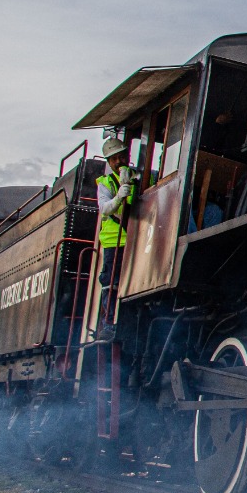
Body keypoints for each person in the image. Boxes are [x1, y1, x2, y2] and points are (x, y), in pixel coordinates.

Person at [94, 136, 135, 342]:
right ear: (109, 162)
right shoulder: (105, 183)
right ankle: (108, 323)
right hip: (113, 241)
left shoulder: (140, 176)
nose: (118, 162)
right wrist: (119, 196)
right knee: (111, 283)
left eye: (121, 157)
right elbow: (104, 207)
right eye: (114, 159)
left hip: (135, 239)